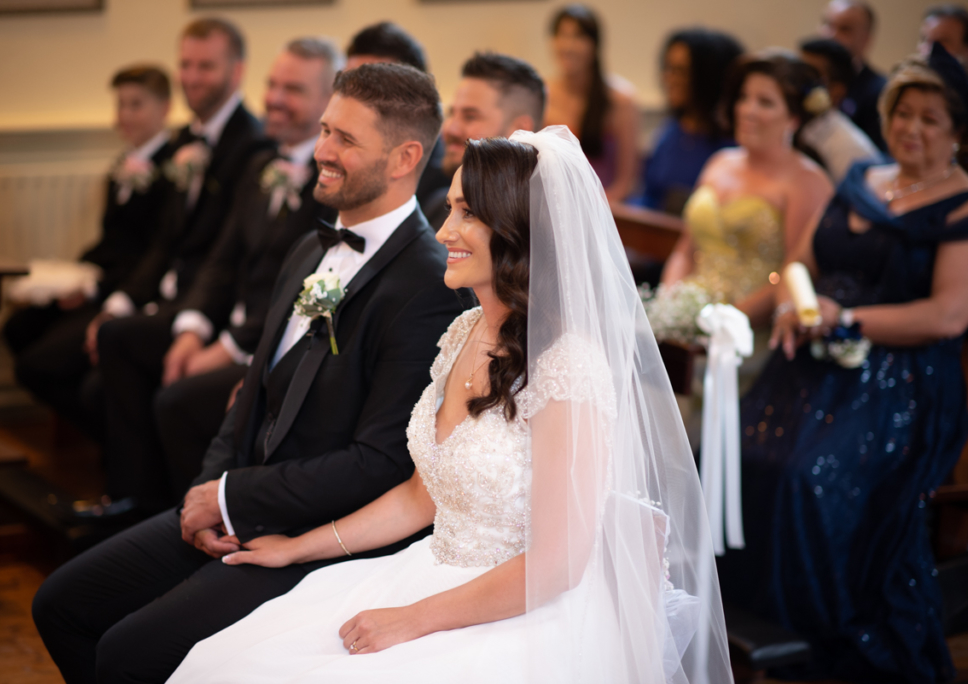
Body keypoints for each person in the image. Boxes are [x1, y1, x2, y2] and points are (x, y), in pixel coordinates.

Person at [164, 128, 732, 683]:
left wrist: (412, 620)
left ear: (514, 230)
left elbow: (558, 563)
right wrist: (295, 549)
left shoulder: (567, 366)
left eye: (465, 213)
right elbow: (420, 496)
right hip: (431, 571)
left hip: (521, 611)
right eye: (450, 208)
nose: (443, 230)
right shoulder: (463, 331)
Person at [31, 62, 467, 684]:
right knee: (62, 605)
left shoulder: (427, 285)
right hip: (245, 505)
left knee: (127, 652)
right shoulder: (310, 247)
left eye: (345, 139)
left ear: (404, 158)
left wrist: (234, 501)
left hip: (323, 537)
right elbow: (251, 394)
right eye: (325, 130)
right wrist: (207, 493)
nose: (321, 151)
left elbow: (381, 463)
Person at [717, 44, 968, 682]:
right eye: (902, 113)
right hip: (814, 361)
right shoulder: (863, 178)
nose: (910, 128)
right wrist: (795, 301)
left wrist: (847, 318)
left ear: (958, 132)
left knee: (811, 477)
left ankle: (827, 644)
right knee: (739, 456)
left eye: (930, 119)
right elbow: (800, 260)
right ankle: (751, 634)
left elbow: (946, 315)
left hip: (899, 380)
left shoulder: (961, 204)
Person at [92, 38, 340, 515]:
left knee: (176, 402)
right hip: (228, 324)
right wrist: (192, 330)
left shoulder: (332, 181)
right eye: (272, 85)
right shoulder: (259, 164)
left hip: (271, 339)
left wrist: (226, 348)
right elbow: (222, 262)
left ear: (329, 101)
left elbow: (301, 290)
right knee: (119, 339)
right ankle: (133, 501)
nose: (274, 99)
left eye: (294, 89)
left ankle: (193, 517)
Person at [3, 65, 174, 441]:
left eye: (136, 105)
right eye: (120, 105)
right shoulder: (123, 165)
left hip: (133, 292)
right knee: (18, 327)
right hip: (103, 278)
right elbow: (110, 240)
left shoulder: (174, 169)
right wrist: (73, 274)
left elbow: (153, 253)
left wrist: (94, 291)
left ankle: (114, 438)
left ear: (164, 108)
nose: (124, 116)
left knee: (36, 366)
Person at [661, 53, 833, 330]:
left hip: (747, 330)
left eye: (764, 102)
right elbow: (685, 250)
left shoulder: (808, 182)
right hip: (689, 316)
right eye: (743, 97)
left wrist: (725, 323)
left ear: (794, 118)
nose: (747, 110)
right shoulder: (719, 162)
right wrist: (670, 306)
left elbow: (795, 271)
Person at [421, 51, 546, 229]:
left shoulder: (541, 222)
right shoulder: (436, 207)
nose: (450, 128)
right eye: (451, 114)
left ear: (521, 131)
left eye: (470, 117)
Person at [632, 27, 743, 216]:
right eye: (667, 68)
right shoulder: (671, 132)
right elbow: (649, 194)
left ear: (707, 77)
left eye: (680, 71)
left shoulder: (732, 148)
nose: (668, 78)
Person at [343, 21, 449, 208]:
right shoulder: (335, 158)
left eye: (370, 89)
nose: (351, 101)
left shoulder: (443, 182)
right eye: (347, 87)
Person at [544, 4, 638, 202]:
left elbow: (627, 181)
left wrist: (597, 210)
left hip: (605, 208)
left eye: (578, 37)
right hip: (555, 205)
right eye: (561, 35)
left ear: (594, 44)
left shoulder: (621, 99)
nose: (568, 45)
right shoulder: (543, 94)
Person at [798, 37, 883, 183]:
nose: (797, 84)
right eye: (796, 73)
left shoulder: (850, 149)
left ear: (837, 91)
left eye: (809, 77)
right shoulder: (795, 125)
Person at [819, 0, 887, 151]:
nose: (831, 35)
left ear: (866, 39)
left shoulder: (880, 92)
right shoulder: (806, 79)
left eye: (845, 29)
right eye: (827, 25)